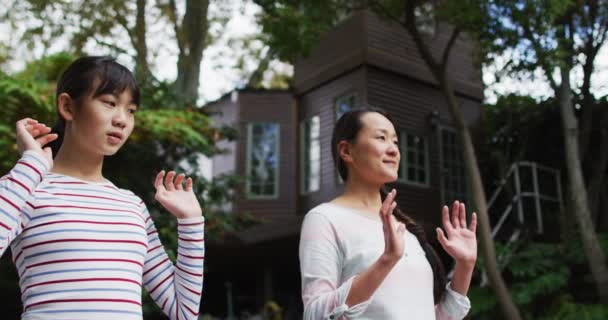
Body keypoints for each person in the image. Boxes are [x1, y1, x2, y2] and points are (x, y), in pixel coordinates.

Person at [0, 56, 204, 320]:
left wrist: (191, 222)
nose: (122, 119)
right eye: (109, 103)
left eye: (131, 110)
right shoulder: (25, 187)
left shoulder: (132, 206)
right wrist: (31, 165)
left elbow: (183, 311)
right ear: (67, 106)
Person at [299, 108, 477, 319]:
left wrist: (465, 267)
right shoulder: (324, 219)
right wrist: (386, 260)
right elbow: (315, 314)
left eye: (395, 141)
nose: (394, 150)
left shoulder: (402, 229)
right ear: (346, 151)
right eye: (381, 138)